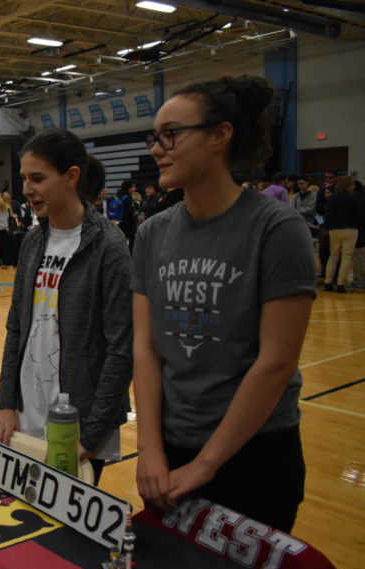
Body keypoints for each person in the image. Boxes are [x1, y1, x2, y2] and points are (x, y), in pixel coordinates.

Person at [133, 75, 315, 532]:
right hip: (172, 447)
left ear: (220, 135)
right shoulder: (152, 233)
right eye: (155, 137)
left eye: (171, 134)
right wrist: (150, 448)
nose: (158, 148)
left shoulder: (277, 227)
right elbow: (146, 348)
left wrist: (207, 464)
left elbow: (276, 362)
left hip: (255, 453)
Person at [0, 130, 132, 485]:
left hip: (79, 419)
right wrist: (6, 402)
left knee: (64, 533)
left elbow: (121, 348)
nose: (26, 188)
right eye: (23, 178)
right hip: (25, 409)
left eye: (37, 178)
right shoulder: (33, 241)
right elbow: (16, 327)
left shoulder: (109, 247)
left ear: (71, 177)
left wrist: (93, 431)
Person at [323, 175, 364, 293]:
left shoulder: (332, 198)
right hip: (350, 230)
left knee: (333, 256)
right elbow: (360, 215)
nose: (353, 186)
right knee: (346, 257)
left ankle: (328, 282)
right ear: (347, 185)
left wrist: (327, 228)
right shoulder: (352, 198)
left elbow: (327, 215)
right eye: (352, 184)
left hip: (334, 230)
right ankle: (340, 284)